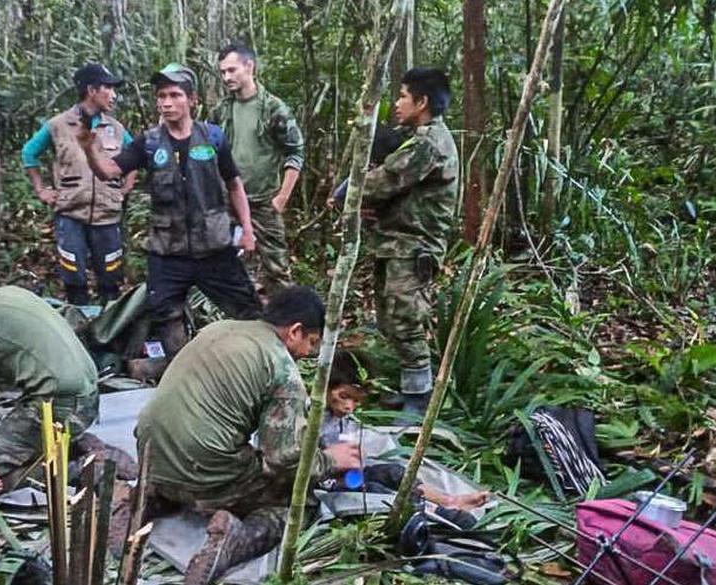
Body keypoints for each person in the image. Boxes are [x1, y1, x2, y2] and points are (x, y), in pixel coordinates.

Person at [134, 286, 362, 585]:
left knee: (197, 458)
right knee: (298, 503)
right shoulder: (282, 368)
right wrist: (330, 460)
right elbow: (281, 460)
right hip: (203, 469)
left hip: (149, 454)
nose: (308, 353)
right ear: (295, 331)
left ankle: (149, 499)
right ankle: (236, 540)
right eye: (311, 342)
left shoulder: (219, 328)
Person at [77, 63, 263, 365]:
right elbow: (108, 171)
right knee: (165, 314)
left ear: (192, 100)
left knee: (248, 310)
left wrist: (248, 230)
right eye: (161, 96)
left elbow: (234, 184)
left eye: (175, 95)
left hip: (214, 247)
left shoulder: (213, 138)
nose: (166, 102)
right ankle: (184, 370)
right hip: (168, 251)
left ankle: (256, 366)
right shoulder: (148, 143)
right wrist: (88, 147)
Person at [338, 68, 459, 420]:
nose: (397, 103)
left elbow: (387, 180)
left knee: (406, 319)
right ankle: (411, 388)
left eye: (404, 96)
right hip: (396, 242)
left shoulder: (428, 143)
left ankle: (420, 399)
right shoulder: (415, 137)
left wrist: (351, 188)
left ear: (422, 102)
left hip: (414, 246)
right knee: (390, 319)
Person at [0, 285, 100, 492]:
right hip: (87, 397)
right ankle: (71, 455)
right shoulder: (11, 293)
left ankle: (76, 472)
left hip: (57, 404)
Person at [22, 63, 136, 305]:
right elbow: (29, 153)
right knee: (73, 276)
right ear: (91, 90)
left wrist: (126, 188)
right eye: (108, 88)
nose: (113, 95)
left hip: (107, 215)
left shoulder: (116, 128)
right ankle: (77, 325)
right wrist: (41, 190)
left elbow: (134, 156)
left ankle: (109, 329)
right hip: (71, 213)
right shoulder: (58, 125)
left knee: (111, 277)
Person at [319, 354, 489, 514]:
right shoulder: (310, 418)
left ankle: (447, 501)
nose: (349, 407)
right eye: (344, 396)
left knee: (394, 473)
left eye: (356, 401)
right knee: (377, 492)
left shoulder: (341, 419)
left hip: (347, 476)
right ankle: (436, 513)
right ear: (325, 386)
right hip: (324, 483)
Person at [210, 43, 305, 298]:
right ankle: (240, 323)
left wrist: (282, 198)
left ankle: (286, 326)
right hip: (228, 203)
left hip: (264, 202)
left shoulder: (274, 109)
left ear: (249, 66)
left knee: (277, 270)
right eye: (222, 72)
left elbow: (295, 152)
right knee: (231, 267)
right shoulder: (221, 111)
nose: (227, 77)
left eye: (232, 70)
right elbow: (208, 153)